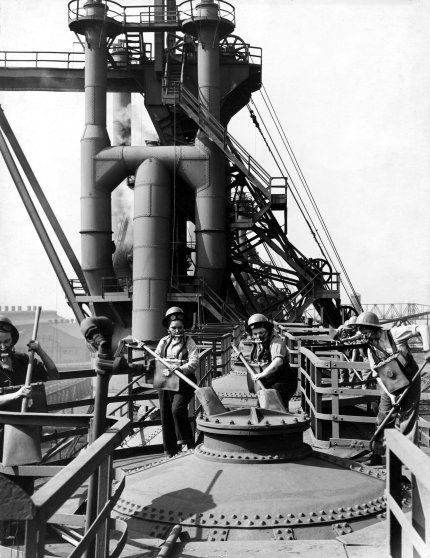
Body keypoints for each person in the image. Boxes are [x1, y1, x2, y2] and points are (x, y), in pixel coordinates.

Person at [356, 311, 430, 465]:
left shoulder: (395, 334)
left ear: (375, 328)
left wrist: (427, 350)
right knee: (383, 418)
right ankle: (377, 455)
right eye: (362, 333)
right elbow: (376, 374)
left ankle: (407, 465)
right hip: (389, 384)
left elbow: (422, 327)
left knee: (407, 421)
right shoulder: (370, 347)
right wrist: (390, 395)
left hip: (410, 381)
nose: (365, 337)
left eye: (366, 332)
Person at [156, 307, 199, 457]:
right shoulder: (163, 342)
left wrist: (180, 368)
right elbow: (157, 358)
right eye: (174, 328)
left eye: (180, 327)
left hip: (184, 382)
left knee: (177, 409)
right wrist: (163, 367)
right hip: (166, 381)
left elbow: (194, 362)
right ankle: (170, 450)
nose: (177, 330)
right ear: (168, 328)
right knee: (166, 414)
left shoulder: (189, 342)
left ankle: (187, 441)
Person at [0, 315, 59, 408]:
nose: (3, 346)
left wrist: (40, 351)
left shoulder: (23, 360)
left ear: (12, 341)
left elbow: (54, 375)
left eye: (6, 341)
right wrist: (17, 394)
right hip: (5, 420)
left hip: (27, 418)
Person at [246, 313, 296, 409]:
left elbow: (278, 361)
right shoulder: (259, 343)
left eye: (261, 333)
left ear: (268, 331)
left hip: (282, 382)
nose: (258, 336)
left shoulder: (276, 342)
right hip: (270, 382)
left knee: (276, 410)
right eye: (255, 334)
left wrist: (262, 374)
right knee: (263, 407)